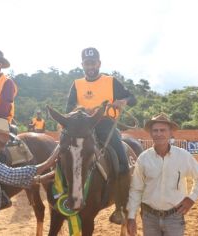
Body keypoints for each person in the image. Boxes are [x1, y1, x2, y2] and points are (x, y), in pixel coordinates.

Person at [66, 47, 137, 224]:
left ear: (99, 63)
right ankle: (62, 195)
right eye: (86, 63)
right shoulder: (77, 84)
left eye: (93, 62)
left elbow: (132, 98)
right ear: (82, 64)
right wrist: (82, 110)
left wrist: (123, 101)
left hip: (106, 126)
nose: (90, 66)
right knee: (63, 155)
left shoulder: (111, 81)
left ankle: (121, 207)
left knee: (121, 161)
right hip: (83, 128)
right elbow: (68, 110)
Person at [127, 113, 198, 236]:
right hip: (149, 218)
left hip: (174, 217)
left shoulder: (183, 156)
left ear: (170, 133)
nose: (159, 134)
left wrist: (192, 198)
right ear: (151, 133)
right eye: (155, 130)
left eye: (163, 130)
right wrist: (131, 216)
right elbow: (136, 189)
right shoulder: (143, 159)